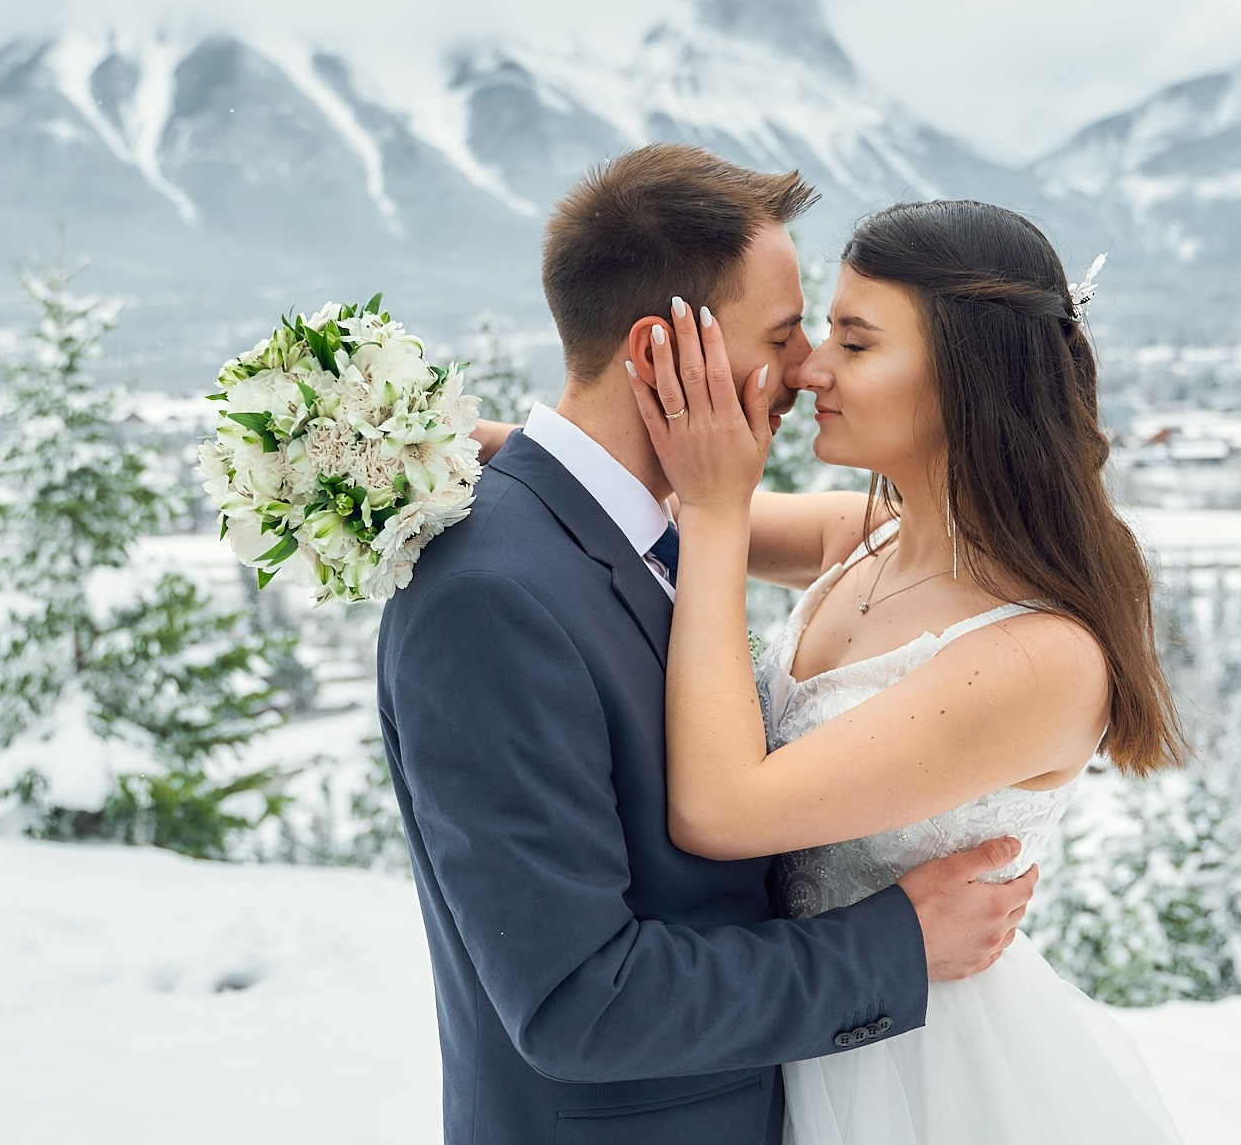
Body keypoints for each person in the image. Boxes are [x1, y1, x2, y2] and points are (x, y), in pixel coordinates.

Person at [376, 146, 1035, 1145]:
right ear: (658, 352)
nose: (805, 366)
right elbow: (578, 1001)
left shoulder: (632, 529)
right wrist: (896, 941)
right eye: (780, 334)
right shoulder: (490, 596)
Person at [623, 197, 1195, 1143]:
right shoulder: (872, 538)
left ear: (966, 375)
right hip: (799, 1021)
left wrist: (723, 512)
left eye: (854, 342)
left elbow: (720, 811)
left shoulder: (1036, 657)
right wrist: (418, 446)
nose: (809, 369)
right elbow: (640, 497)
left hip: (920, 1077)